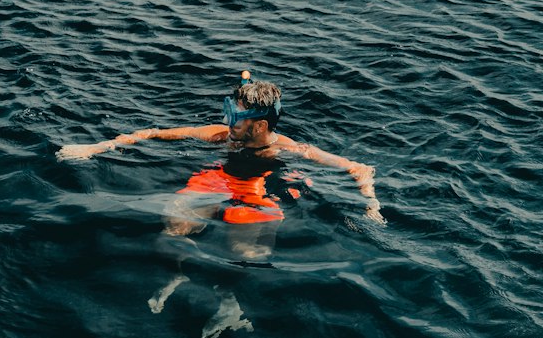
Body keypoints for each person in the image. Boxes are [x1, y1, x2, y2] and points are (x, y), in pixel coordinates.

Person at [57, 71, 385, 227]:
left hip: (261, 187)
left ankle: (231, 303)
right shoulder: (220, 136)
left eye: (236, 118)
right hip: (218, 179)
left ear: (260, 125)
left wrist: (372, 206)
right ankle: (176, 280)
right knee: (174, 224)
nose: (227, 124)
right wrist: (96, 147)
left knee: (248, 247)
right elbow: (152, 134)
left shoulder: (290, 149)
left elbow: (360, 168)